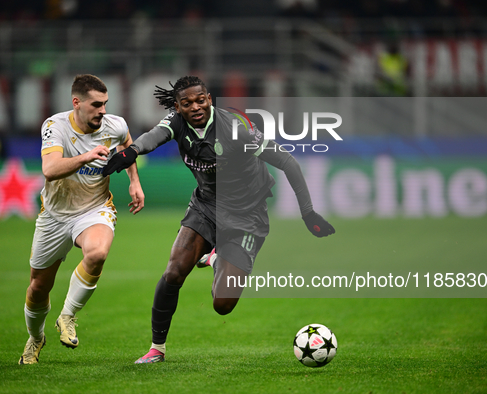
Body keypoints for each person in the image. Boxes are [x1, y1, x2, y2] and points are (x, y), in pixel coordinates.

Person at [103, 75, 334, 364]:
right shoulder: (176, 123)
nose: (196, 107)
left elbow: (287, 161)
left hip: (247, 213)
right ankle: (156, 349)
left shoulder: (236, 129)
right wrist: (133, 151)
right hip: (206, 206)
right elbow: (154, 137)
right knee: (174, 271)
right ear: (178, 107)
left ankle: (215, 259)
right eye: (187, 103)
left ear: (210, 99)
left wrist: (308, 212)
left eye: (201, 100)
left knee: (222, 305)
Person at [19, 74, 145, 365]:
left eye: (105, 104)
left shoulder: (115, 125)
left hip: (94, 209)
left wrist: (134, 182)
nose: (103, 111)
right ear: (76, 103)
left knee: (98, 252)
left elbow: (128, 148)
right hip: (54, 215)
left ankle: (67, 315)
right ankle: (36, 338)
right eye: (96, 105)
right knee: (38, 288)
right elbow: (50, 169)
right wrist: (86, 157)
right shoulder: (55, 126)